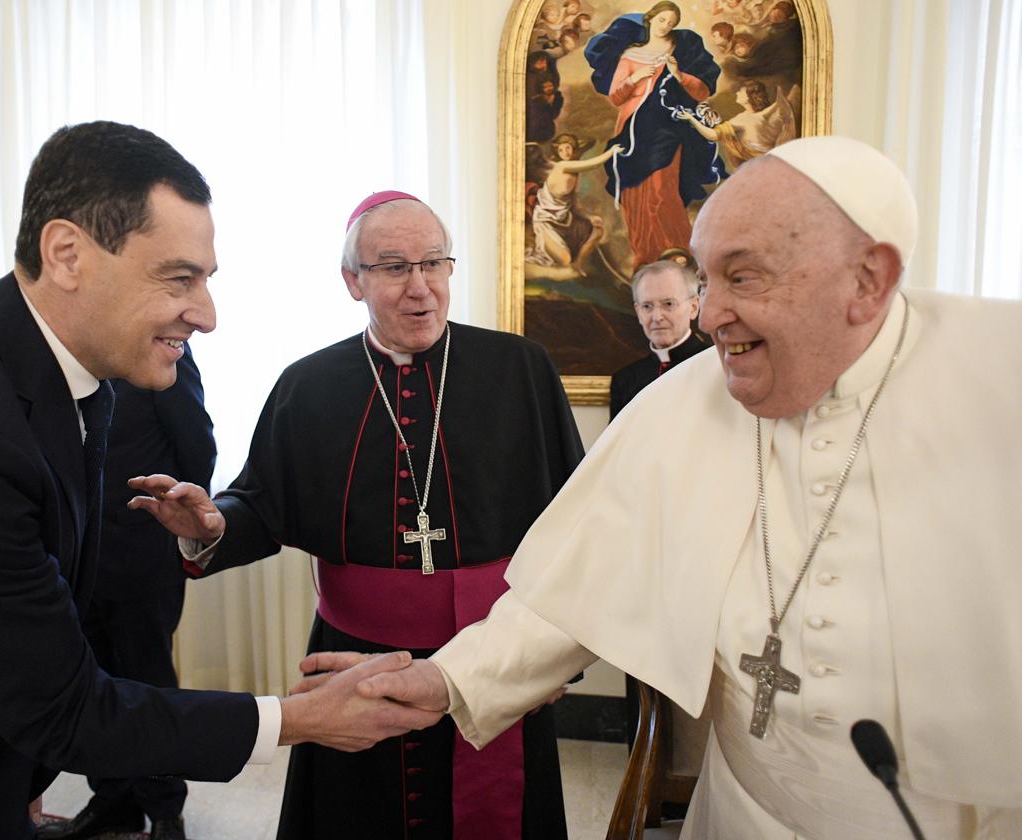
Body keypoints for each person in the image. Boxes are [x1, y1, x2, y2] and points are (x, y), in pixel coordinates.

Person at [335, 136, 1022, 839]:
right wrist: (448, 678)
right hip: (742, 818)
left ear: (869, 279)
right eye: (705, 277)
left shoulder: (1003, 383)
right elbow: (575, 592)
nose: (708, 311)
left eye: (743, 277)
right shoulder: (683, 403)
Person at [0, 122, 437, 840]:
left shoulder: (66, 371)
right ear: (67, 255)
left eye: (206, 279)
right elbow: (65, 709)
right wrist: (298, 718)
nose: (207, 314)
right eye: (179, 278)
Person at [130, 191, 584, 840]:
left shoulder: (520, 370)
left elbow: (575, 525)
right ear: (353, 281)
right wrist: (213, 528)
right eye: (394, 267)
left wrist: (555, 656)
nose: (420, 287)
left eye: (434, 263)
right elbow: (263, 503)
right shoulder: (309, 386)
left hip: (496, 652)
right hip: (358, 659)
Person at [38, 345, 216, 840]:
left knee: (148, 681)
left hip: (143, 556)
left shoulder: (159, 349)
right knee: (91, 683)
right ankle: (113, 799)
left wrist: (174, 527)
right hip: (73, 555)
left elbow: (197, 446)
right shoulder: (58, 355)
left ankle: (164, 809)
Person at [585, 1, 725, 266]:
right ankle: (646, 254)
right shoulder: (630, 54)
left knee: (663, 187)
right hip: (633, 129)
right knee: (635, 192)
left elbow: (702, 91)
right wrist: (634, 78)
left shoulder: (679, 51)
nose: (666, 27)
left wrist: (679, 74)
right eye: (662, 20)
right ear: (650, 19)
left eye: (671, 23)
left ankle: (677, 250)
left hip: (667, 128)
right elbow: (616, 97)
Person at [609, 258, 710, 418]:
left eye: (668, 304)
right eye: (647, 306)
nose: (657, 317)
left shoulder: (718, 367)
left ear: (694, 307)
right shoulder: (625, 380)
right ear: (638, 313)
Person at [526, 133, 616, 275]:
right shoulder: (562, 166)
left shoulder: (573, 174)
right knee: (565, 259)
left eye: (568, 148)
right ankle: (566, 260)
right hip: (546, 221)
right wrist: (611, 152)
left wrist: (589, 216)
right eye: (561, 150)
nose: (565, 152)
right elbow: (593, 164)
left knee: (598, 231)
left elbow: (574, 205)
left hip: (564, 220)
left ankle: (578, 264)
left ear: (573, 149)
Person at [675, 79, 798, 172]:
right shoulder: (764, 115)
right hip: (768, 166)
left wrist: (691, 118)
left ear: (750, 96)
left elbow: (712, 135)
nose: (737, 92)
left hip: (759, 169)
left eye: (741, 91)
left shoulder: (742, 121)